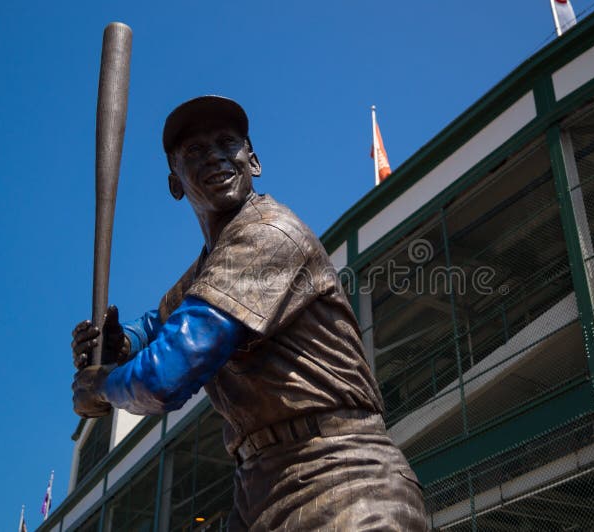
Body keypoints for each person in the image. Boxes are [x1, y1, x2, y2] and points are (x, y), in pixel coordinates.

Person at [71, 96, 428, 530]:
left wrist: (103, 385)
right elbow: (158, 323)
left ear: (253, 161)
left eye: (228, 143)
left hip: (342, 477)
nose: (216, 156)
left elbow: (164, 378)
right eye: (195, 151)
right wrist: (120, 343)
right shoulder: (209, 267)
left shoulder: (267, 233)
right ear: (175, 183)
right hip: (260, 491)